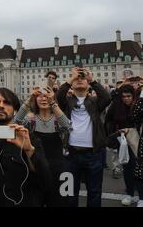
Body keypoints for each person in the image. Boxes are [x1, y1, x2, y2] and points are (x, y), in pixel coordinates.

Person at [56, 66, 111, 207]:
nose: (79, 80)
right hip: (70, 153)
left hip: (94, 154)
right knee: (69, 192)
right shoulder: (66, 102)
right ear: (72, 84)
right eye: (76, 79)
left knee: (94, 191)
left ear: (88, 84)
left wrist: (92, 80)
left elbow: (106, 98)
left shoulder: (95, 102)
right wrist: (70, 79)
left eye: (83, 78)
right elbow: (58, 97)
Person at [14, 86, 71, 206]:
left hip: (57, 169)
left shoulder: (57, 120)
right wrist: (29, 99)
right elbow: (15, 123)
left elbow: (68, 127)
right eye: (39, 96)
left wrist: (53, 103)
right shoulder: (30, 120)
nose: (43, 99)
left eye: (47, 96)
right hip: (35, 168)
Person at [105, 84, 139, 205]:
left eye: (128, 96)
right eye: (123, 96)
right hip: (123, 141)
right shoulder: (116, 105)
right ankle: (129, 193)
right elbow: (108, 119)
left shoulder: (138, 105)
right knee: (127, 167)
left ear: (133, 95)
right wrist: (114, 132)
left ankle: (140, 195)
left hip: (138, 140)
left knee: (138, 167)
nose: (126, 99)